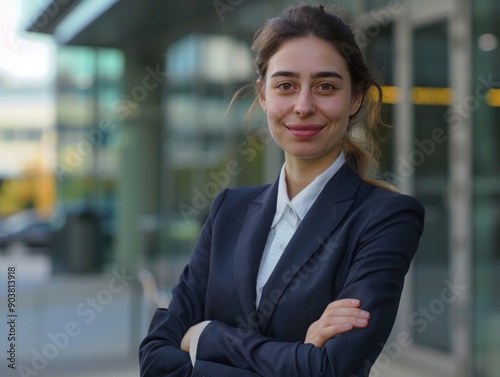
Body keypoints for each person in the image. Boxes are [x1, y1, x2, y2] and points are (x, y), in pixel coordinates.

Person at [139, 4, 424, 377]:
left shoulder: (385, 217)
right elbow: (155, 358)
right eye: (286, 85)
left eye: (325, 86)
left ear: (355, 97)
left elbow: (328, 368)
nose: (303, 106)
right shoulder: (228, 210)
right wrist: (295, 357)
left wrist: (208, 337)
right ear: (262, 95)